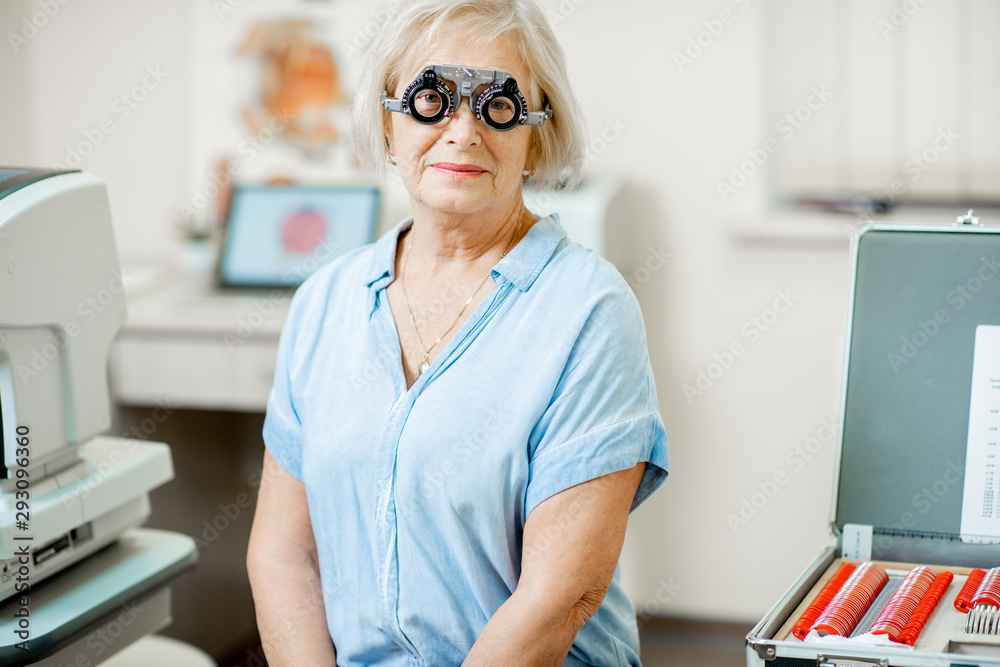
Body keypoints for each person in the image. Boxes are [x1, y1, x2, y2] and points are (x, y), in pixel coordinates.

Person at [246, 1, 669, 665]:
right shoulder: (324, 303)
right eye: (430, 97)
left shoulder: (588, 311)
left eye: (497, 103)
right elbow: (282, 554)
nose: (463, 130)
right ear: (388, 122)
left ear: (536, 132)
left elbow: (561, 593)